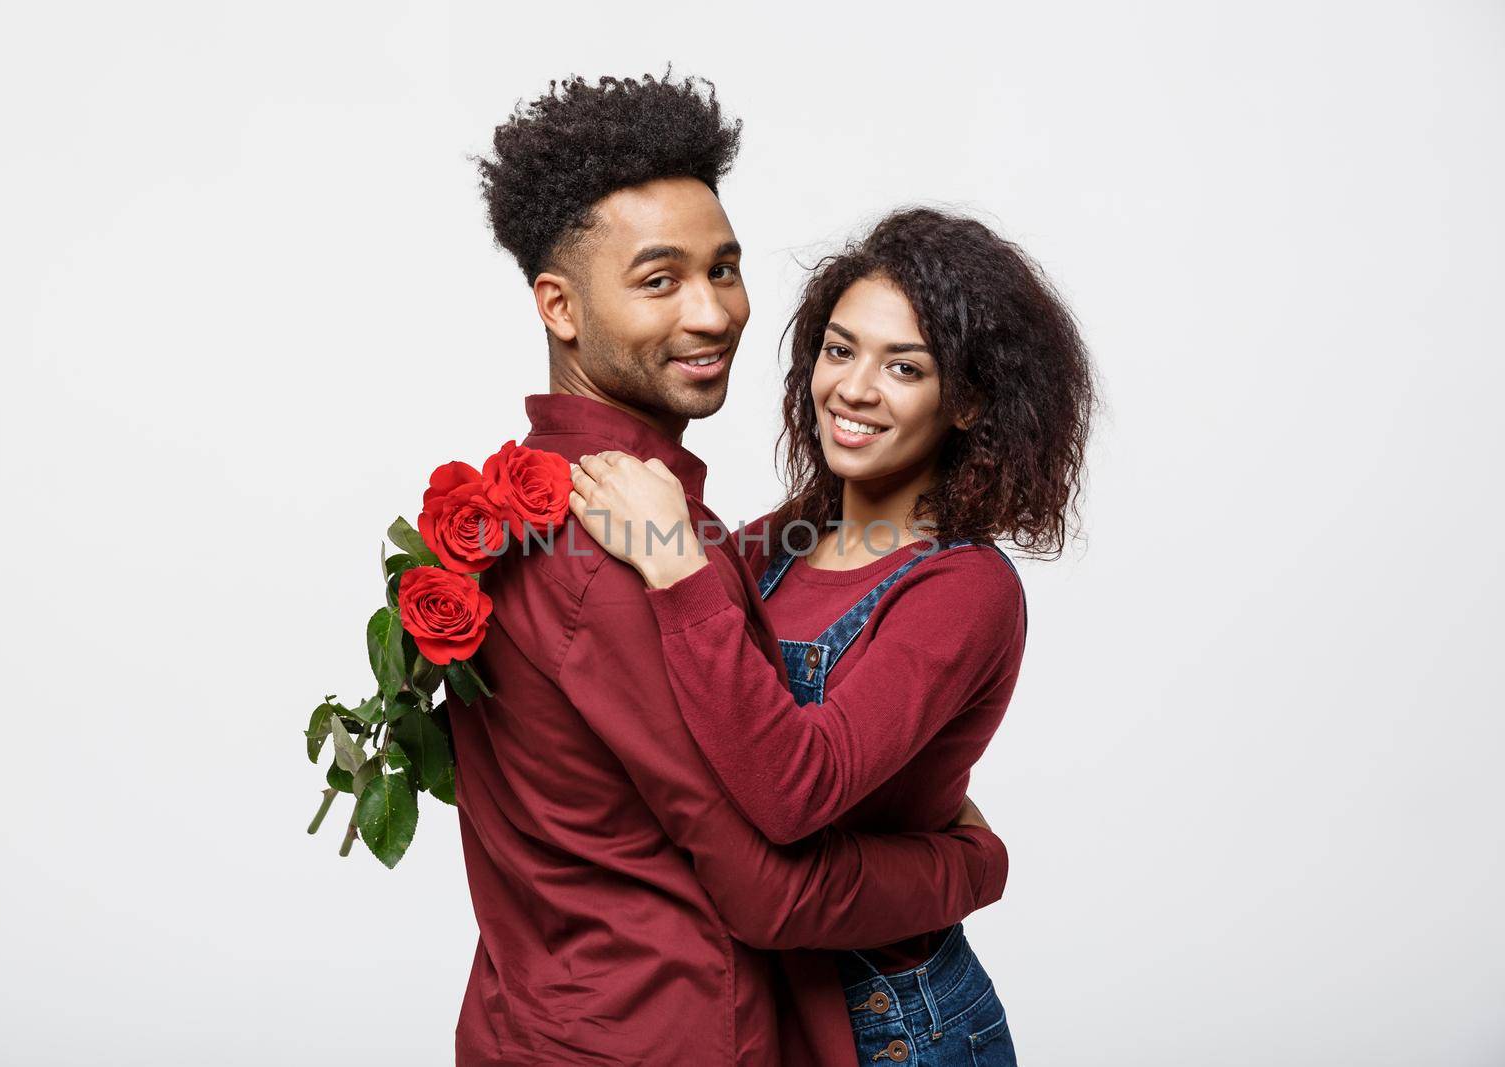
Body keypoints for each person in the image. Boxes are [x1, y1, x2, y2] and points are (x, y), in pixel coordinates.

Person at [452, 73, 1008, 1065]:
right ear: (560, 305)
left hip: (539, 1019)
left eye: (725, 268)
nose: (713, 313)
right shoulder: (629, 545)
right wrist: (968, 859)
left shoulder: (534, 500)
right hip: (671, 1031)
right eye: (659, 279)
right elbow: (771, 880)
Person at [567, 206, 1097, 1065]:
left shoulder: (962, 588)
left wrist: (672, 560)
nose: (852, 388)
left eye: (905, 368)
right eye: (840, 349)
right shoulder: (780, 540)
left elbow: (791, 790)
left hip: (897, 1019)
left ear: (965, 401)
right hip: (766, 1000)